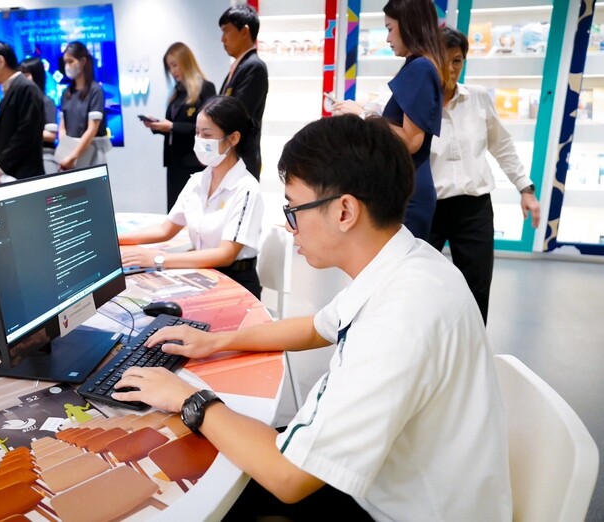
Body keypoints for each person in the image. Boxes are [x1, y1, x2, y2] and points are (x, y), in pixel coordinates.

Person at [112, 114, 512, 520]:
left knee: (207, 486)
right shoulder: (406, 259)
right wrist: (217, 341)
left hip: (399, 510)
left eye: (294, 210)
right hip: (395, 479)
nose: (291, 227)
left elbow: (290, 477)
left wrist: (188, 399)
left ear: (344, 212)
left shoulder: (399, 320)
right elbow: (317, 326)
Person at [429, 27, 541, 324]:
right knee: (420, 284)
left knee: (477, 288)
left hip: (474, 209)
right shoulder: (418, 104)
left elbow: (502, 145)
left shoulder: (478, 98)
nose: (451, 68)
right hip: (430, 209)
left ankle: (473, 345)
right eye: (443, 60)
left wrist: (525, 189)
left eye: (457, 60)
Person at [119, 96, 264, 299]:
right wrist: (115, 240)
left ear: (233, 138)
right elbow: (165, 229)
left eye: (207, 134)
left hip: (235, 282)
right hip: (202, 274)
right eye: (197, 133)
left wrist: (158, 258)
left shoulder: (246, 189)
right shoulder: (197, 181)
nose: (199, 140)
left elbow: (226, 254)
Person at [332, 0, 450, 241]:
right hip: (403, 185)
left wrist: (362, 116)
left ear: (408, 25)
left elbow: (411, 141)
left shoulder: (420, 68)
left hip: (409, 190)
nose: (387, 39)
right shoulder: (419, 66)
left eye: (389, 29)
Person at [141, 42, 216, 211]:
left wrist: (172, 127)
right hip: (174, 162)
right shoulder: (177, 93)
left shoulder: (205, 88)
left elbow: (209, 128)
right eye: (169, 67)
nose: (172, 71)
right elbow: (173, 126)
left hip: (194, 162)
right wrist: (157, 126)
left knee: (193, 210)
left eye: (174, 65)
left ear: (186, 62)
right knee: (175, 210)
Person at [218, 4, 269, 180]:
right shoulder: (239, 67)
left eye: (226, 31)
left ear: (245, 31)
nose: (222, 39)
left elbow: (237, 114)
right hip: (229, 158)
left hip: (241, 160)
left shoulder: (254, 67)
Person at [0, 40, 45, 183]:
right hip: (13, 173)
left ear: (0, 61)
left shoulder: (26, 88)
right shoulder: (13, 88)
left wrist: (0, 166)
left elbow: (26, 133)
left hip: (24, 175)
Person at [57, 41, 112, 170]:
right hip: (69, 152)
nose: (67, 66)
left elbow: (92, 129)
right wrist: (65, 151)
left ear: (83, 61)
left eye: (71, 61)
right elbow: (62, 126)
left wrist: (74, 156)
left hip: (92, 153)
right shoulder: (66, 93)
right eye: (65, 62)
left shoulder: (95, 90)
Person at [19, 56, 59, 174]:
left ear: (37, 76)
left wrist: (24, 134)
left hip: (44, 156)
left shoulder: (46, 102)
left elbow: (51, 135)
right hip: (24, 158)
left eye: (26, 75)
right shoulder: (20, 103)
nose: (22, 80)